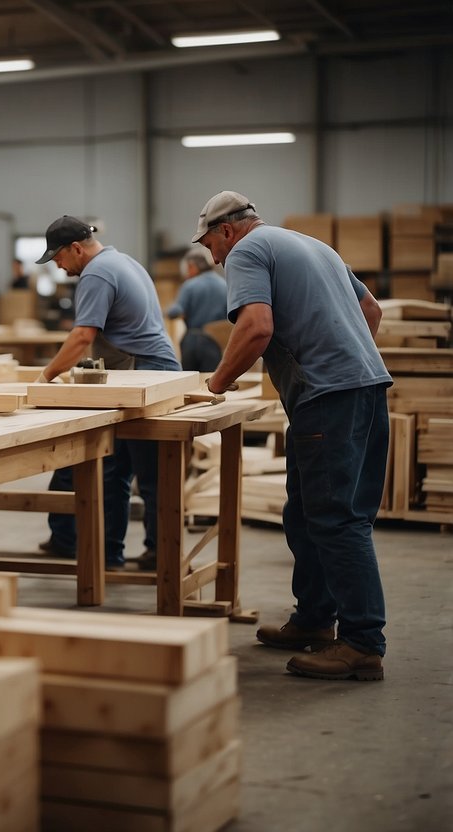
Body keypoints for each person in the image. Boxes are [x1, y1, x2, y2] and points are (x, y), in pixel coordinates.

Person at [196, 191, 391, 681]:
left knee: (336, 519)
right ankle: (314, 620)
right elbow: (372, 312)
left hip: (328, 397)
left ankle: (363, 643)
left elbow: (257, 327)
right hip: (364, 388)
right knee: (306, 513)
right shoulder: (312, 245)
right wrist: (343, 355)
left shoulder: (247, 251)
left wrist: (214, 386)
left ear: (226, 230)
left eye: (210, 246)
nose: (214, 259)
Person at [33, 216, 181, 570]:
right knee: (114, 470)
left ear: (76, 249)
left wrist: (46, 377)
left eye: (58, 258)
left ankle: (161, 557)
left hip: (144, 374)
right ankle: (109, 554)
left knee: (148, 474)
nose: (58, 265)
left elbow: (83, 335)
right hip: (142, 372)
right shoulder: (124, 261)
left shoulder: (97, 273)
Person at [167, 245, 228, 372]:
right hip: (215, 341)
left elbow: (175, 312)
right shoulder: (224, 285)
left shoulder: (190, 285)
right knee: (211, 383)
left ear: (192, 266)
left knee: (190, 383)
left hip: (192, 340)